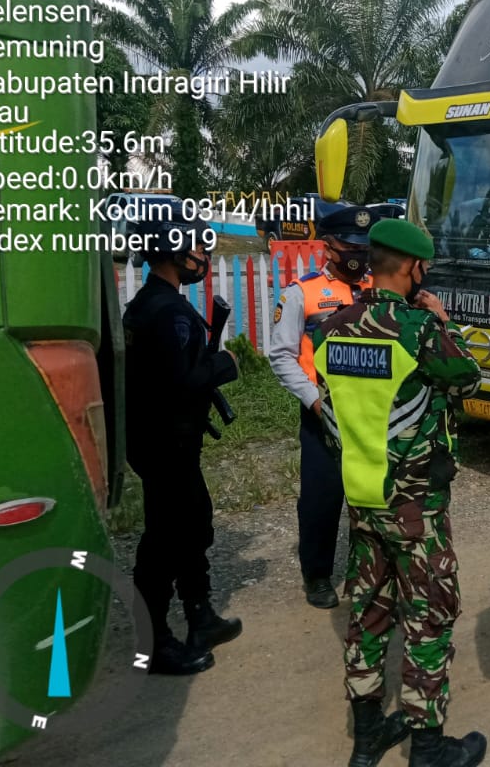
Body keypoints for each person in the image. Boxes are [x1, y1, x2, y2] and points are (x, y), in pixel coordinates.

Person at [314, 218, 487, 767]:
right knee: (428, 615)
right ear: (413, 268)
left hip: (363, 498)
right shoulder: (418, 328)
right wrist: (443, 320)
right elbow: (467, 379)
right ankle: (428, 749)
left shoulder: (334, 329)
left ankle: (367, 740)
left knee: (367, 613)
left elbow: (331, 411)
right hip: (415, 505)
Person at [123, 208, 243, 676]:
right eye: (194, 244)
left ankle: (201, 616)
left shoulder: (148, 302)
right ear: (172, 250)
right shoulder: (168, 310)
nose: (202, 253)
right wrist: (225, 364)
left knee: (193, 523)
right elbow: (182, 380)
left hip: (161, 442)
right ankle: (153, 645)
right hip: (166, 444)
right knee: (163, 542)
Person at [269, 204, 374, 608]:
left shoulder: (374, 290)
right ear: (328, 247)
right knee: (322, 497)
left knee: (367, 495)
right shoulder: (301, 292)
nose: (358, 254)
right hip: (322, 414)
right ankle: (317, 575)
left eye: (363, 247)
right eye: (350, 245)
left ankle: (365, 573)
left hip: (368, 413)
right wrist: (314, 402)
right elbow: (282, 355)